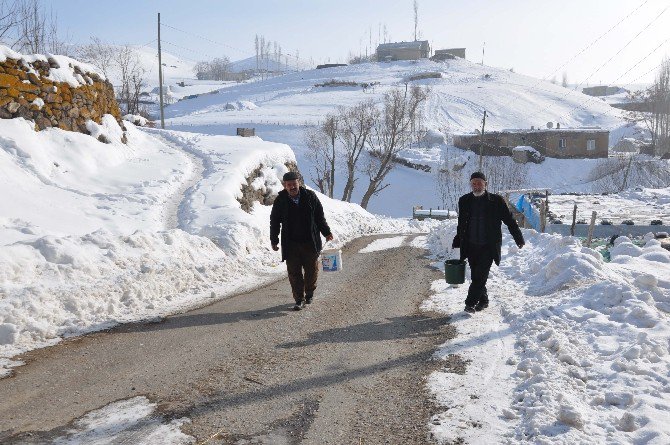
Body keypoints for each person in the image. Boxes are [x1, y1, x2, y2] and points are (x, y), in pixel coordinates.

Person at [452, 171, 525, 313]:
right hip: (471, 245)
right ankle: (484, 300)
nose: (477, 186)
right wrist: (458, 238)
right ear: (471, 184)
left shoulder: (497, 201)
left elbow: (509, 221)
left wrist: (518, 237)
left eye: (479, 183)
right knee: (476, 275)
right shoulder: (464, 200)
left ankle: (470, 303)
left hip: (488, 246)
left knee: (480, 276)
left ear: (485, 184)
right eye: (474, 183)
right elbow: (462, 223)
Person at [271, 171, 334, 311]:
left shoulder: (310, 196)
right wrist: (274, 240)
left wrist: (327, 232)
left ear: (298, 183)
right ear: (284, 186)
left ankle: (309, 292)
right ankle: (299, 299)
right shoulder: (280, 200)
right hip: (291, 243)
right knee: (294, 273)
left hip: (310, 242)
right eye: (289, 185)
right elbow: (274, 221)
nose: (292, 187)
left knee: (311, 270)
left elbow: (319, 217)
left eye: (294, 183)